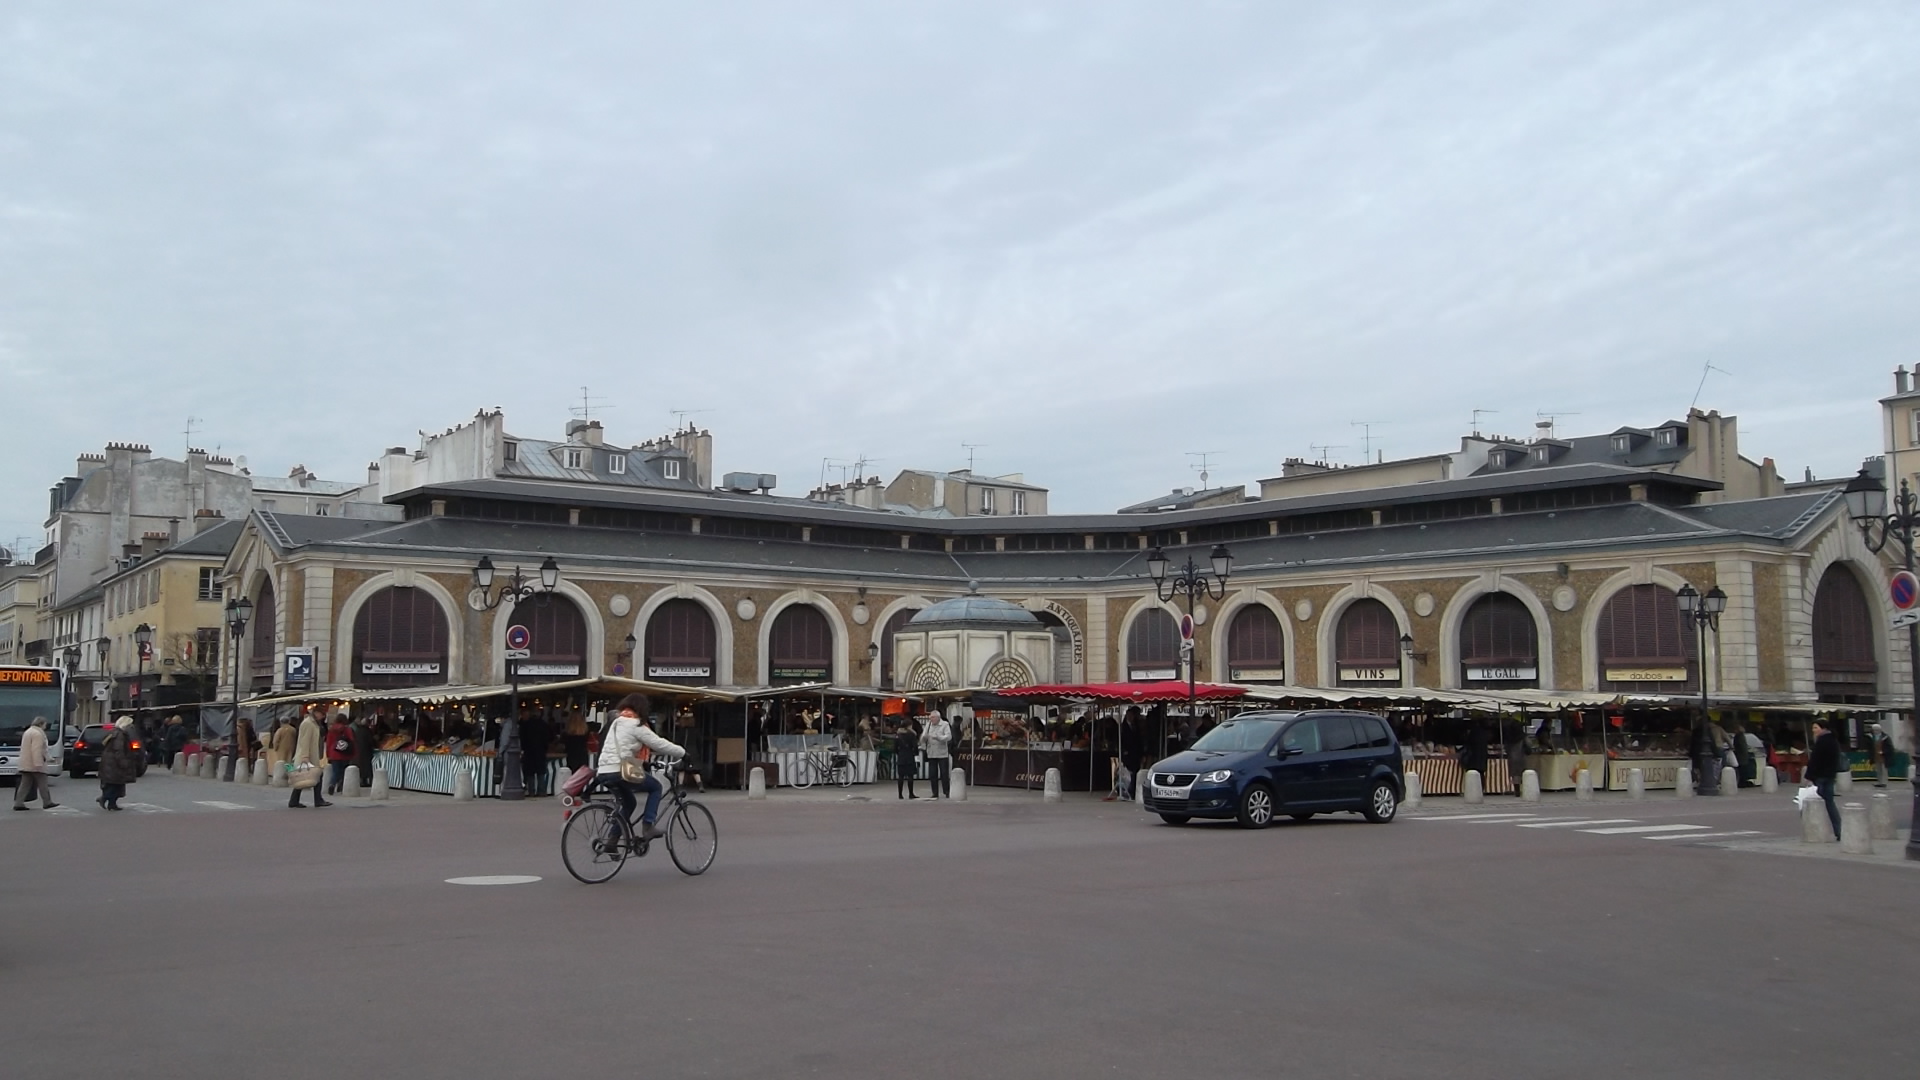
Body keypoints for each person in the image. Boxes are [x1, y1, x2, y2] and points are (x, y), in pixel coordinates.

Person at [595, 693, 684, 840]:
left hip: (604, 771)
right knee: (655, 787)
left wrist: (645, 762)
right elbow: (658, 743)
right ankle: (648, 826)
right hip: (620, 771)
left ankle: (612, 840)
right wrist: (682, 753)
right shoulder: (635, 724)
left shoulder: (616, 723)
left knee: (629, 803)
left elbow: (624, 746)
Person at [1805, 720, 1843, 840]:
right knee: (1830, 804)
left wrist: (1809, 776)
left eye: (1816, 728)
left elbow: (1815, 761)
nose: (1813, 730)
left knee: (1815, 804)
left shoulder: (1822, 741)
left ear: (1823, 728)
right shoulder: (1833, 740)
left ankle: (1817, 830)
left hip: (1820, 777)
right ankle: (1839, 830)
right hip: (1829, 776)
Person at [12, 716, 58, 810]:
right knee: (43, 783)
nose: (46, 726)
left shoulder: (28, 732)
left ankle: (18, 803)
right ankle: (47, 802)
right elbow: (37, 749)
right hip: (35, 764)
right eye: (45, 724)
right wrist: (38, 763)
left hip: (25, 763)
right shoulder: (38, 734)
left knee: (25, 784)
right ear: (41, 724)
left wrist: (49, 758)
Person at [97, 717, 141, 811]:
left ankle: (112, 803)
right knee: (115, 783)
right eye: (130, 725)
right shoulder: (120, 734)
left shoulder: (114, 732)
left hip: (110, 762)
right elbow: (118, 749)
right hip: (114, 763)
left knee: (116, 784)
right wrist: (123, 762)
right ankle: (105, 798)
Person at [290, 707, 331, 808]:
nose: (323, 717)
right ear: (316, 713)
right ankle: (317, 800)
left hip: (311, 754)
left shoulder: (312, 723)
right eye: (322, 714)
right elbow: (305, 741)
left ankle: (295, 801)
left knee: (302, 778)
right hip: (307, 755)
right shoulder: (308, 723)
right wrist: (305, 756)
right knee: (308, 777)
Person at [921, 708, 953, 799]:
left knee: (944, 773)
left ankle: (946, 791)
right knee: (933, 774)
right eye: (930, 718)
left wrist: (939, 737)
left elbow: (949, 737)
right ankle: (935, 792)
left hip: (942, 753)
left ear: (938, 718)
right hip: (931, 752)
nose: (931, 720)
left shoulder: (944, 724)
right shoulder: (928, 724)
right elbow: (923, 736)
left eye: (933, 718)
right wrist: (923, 738)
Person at [519, 712, 550, 796]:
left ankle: (531, 791)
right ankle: (542, 791)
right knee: (541, 772)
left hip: (529, 751)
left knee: (530, 773)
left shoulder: (525, 725)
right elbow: (548, 738)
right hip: (540, 751)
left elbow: (522, 739)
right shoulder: (543, 724)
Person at [324, 712, 354, 795]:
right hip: (345, 753)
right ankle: (340, 786)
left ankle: (332, 784)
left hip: (334, 753)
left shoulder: (331, 730)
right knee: (343, 771)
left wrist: (328, 755)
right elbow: (351, 741)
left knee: (335, 771)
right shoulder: (347, 729)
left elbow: (328, 743)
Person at [893, 719, 920, 800]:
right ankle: (911, 794)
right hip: (909, 756)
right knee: (910, 776)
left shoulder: (898, 735)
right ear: (909, 726)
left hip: (901, 757)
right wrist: (915, 754)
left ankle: (900, 794)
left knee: (900, 776)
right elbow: (915, 747)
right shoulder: (912, 735)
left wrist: (899, 753)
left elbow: (894, 748)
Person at [351, 714, 376, 791]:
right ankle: (366, 781)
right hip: (366, 751)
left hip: (359, 750)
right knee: (366, 766)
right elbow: (370, 741)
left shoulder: (358, 731)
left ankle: (363, 780)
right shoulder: (367, 731)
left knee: (361, 766)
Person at [1504, 722, 1529, 797]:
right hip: (1521, 756)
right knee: (1524, 773)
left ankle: (1516, 790)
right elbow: (1529, 745)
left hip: (1512, 757)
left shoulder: (1508, 737)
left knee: (1515, 774)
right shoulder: (1522, 737)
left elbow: (1506, 748)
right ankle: (1525, 789)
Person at [1869, 723, 1893, 788]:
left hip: (1884, 757)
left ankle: (1884, 782)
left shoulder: (1886, 737)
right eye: (1873, 730)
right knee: (1878, 770)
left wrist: (1883, 752)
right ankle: (1879, 782)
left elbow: (1890, 748)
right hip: (1876, 756)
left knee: (1884, 770)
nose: (1874, 731)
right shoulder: (1872, 737)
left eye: (1875, 730)